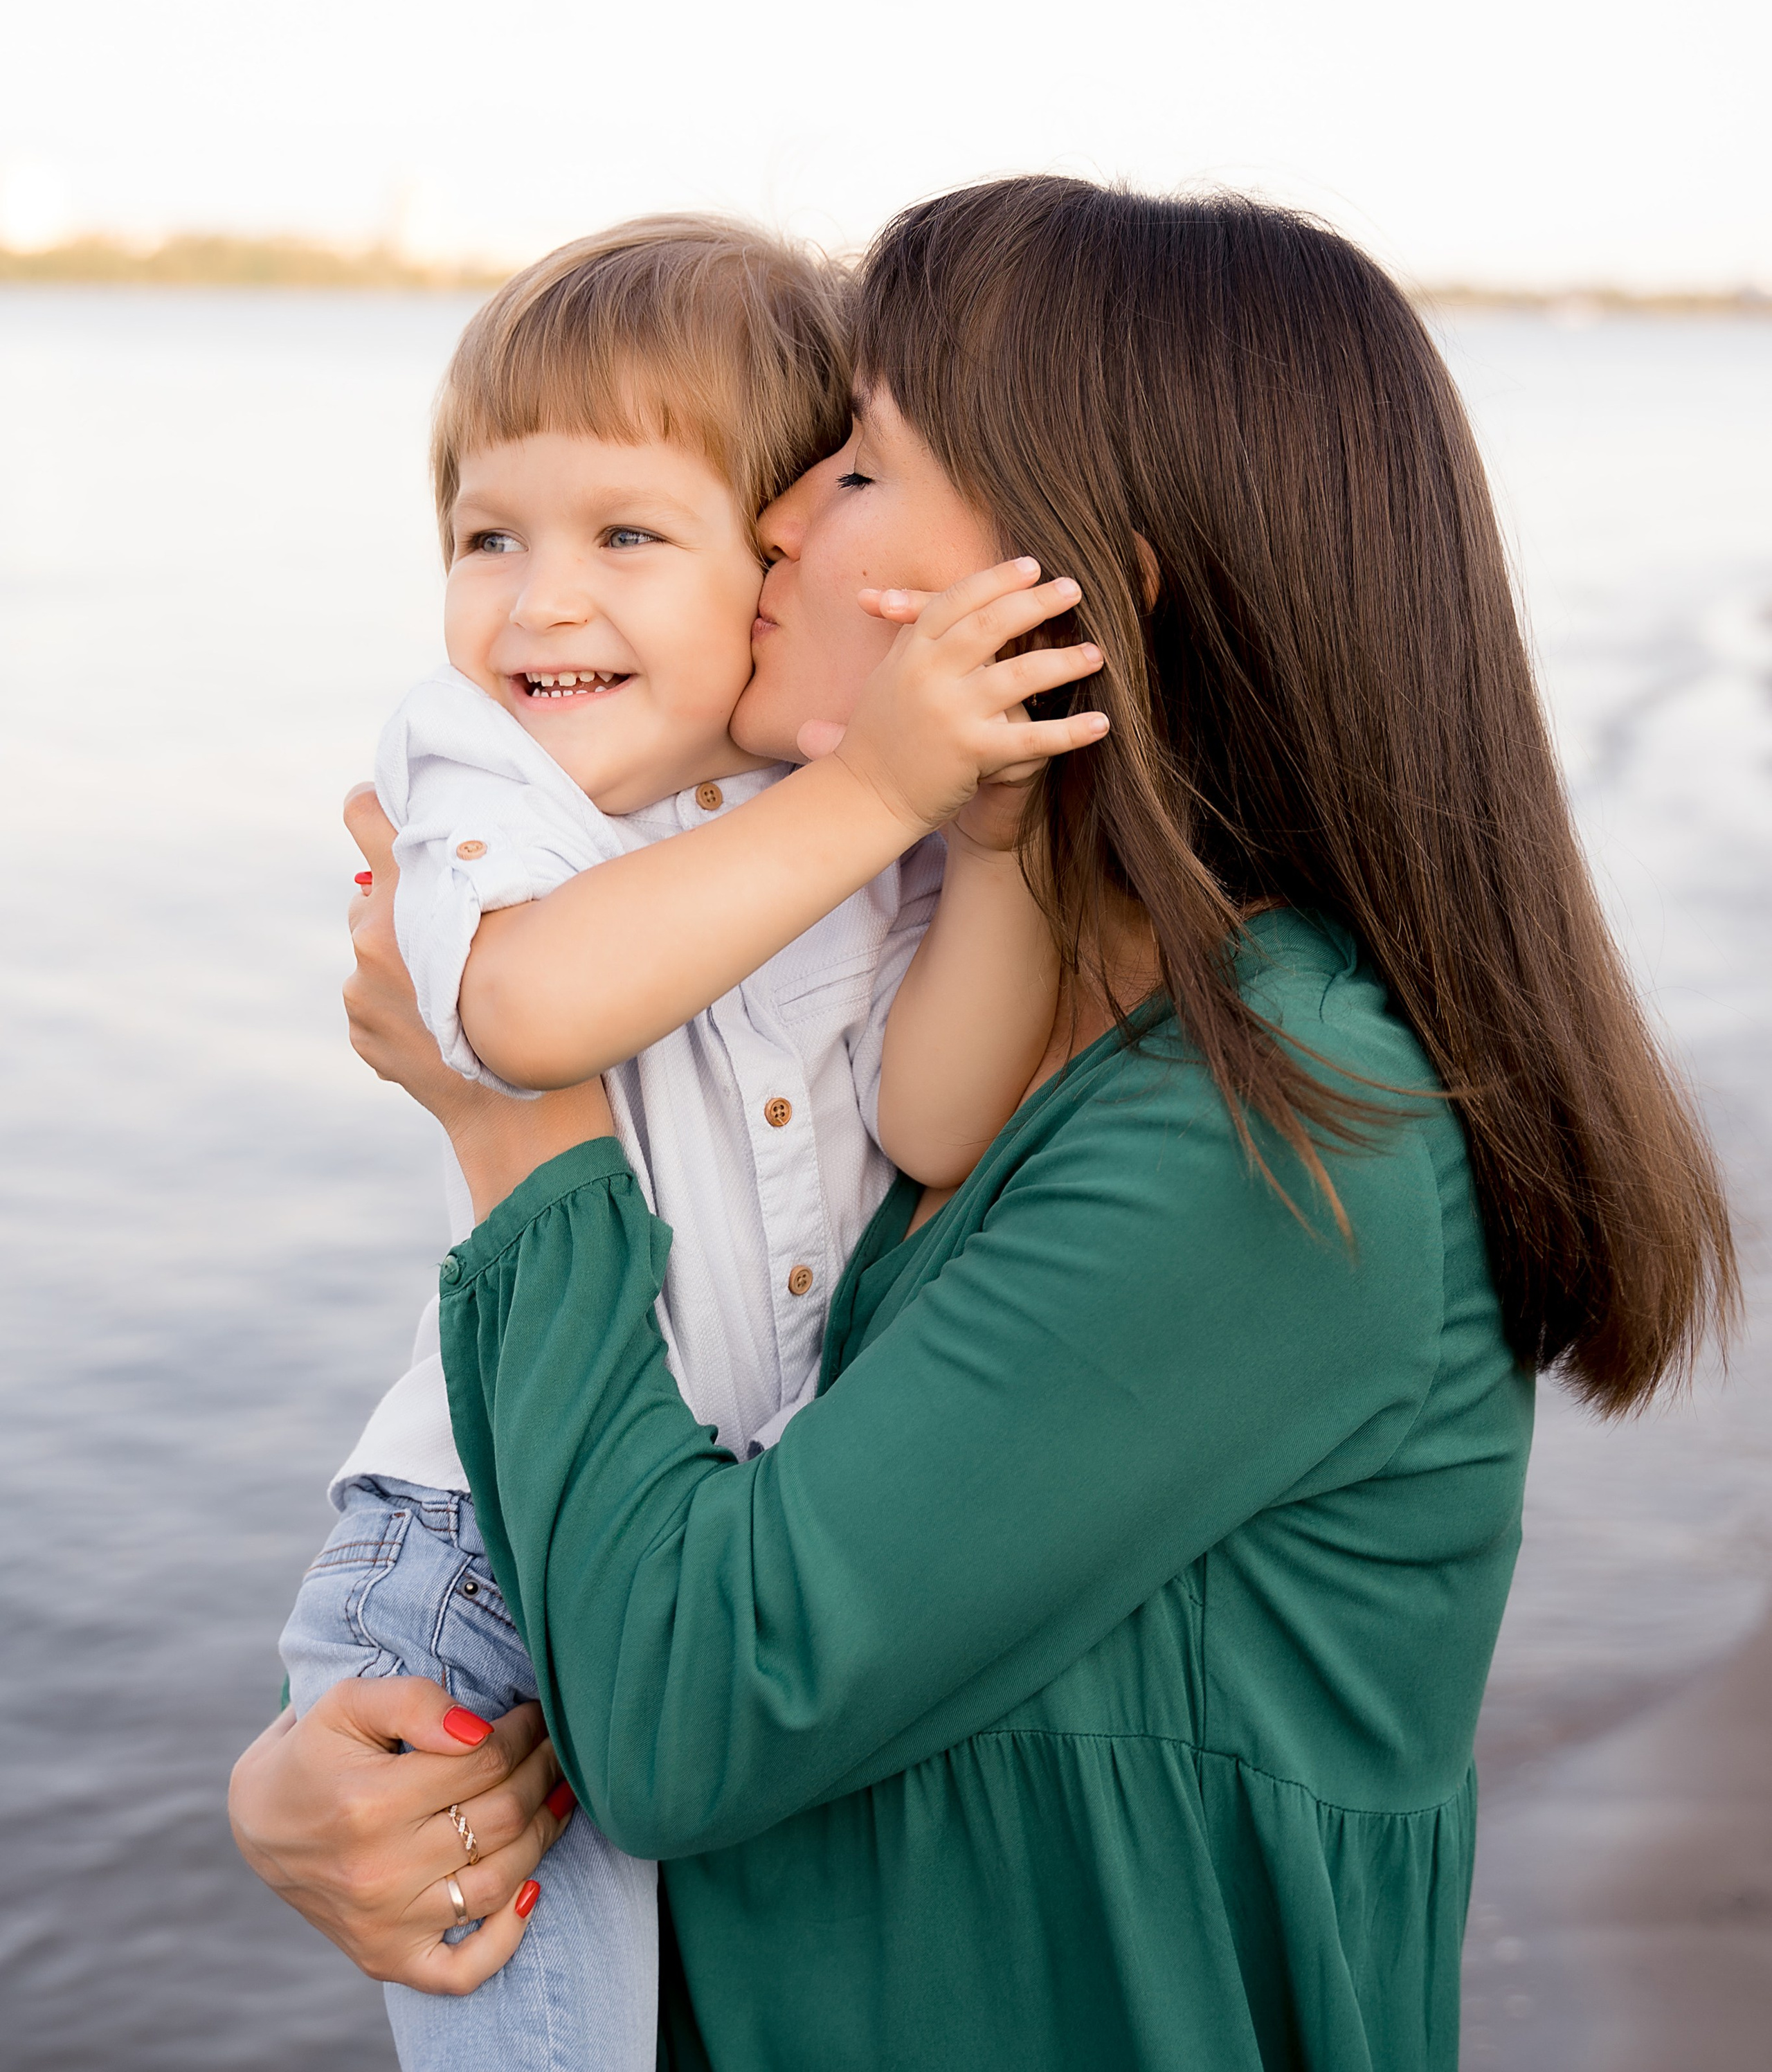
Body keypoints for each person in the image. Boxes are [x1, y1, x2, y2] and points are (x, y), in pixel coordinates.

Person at [233, 180, 1737, 2071]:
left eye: (857, 463)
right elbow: (713, 1517)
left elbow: (696, 1705)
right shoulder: (937, 967)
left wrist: (514, 1129)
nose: (773, 513)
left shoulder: (1282, 1128)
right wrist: (349, 1767)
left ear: (1078, 591)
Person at [271, 215, 1102, 2069]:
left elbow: (936, 1113)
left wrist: (993, 842)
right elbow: (526, 1019)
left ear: (779, 560)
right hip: (481, 1549)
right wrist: (885, 784)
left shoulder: (839, 808)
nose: (537, 603)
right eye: (491, 537)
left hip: (692, 1528)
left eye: (625, 537)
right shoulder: (480, 769)